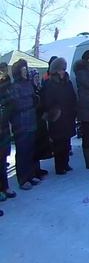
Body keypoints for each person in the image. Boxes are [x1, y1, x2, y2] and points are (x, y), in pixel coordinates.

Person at [41, 58, 77, 174]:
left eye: (63, 69)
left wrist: (73, 110)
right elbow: (46, 101)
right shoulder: (49, 84)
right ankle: (59, 166)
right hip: (57, 117)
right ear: (55, 71)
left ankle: (65, 163)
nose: (62, 72)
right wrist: (54, 111)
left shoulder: (67, 82)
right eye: (60, 70)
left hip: (68, 115)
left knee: (66, 142)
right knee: (58, 143)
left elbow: (72, 96)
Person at [9, 59, 39, 189]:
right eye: (23, 69)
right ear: (18, 71)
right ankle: (23, 179)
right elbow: (15, 105)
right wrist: (30, 102)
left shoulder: (28, 83)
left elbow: (34, 99)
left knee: (31, 150)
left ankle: (31, 175)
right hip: (21, 123)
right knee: (22, 151)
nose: (26, 71)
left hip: (31, 120)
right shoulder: (14, 87)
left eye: (26, 69)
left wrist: (35, 100)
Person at [30, 68, 51, 179]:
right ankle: (33, 170)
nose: (37, 79)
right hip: (35, 120)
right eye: (35, 77)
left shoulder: (39, 88)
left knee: (40, 145)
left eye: (38, 77)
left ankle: (38, 168)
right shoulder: (31, 90)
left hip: (41, 119)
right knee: (34, 146)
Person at [0, 63, 16, 200]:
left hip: (3, 127)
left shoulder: (6, 85)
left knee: (3, 158)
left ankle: (5, 186)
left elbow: (10, 104)